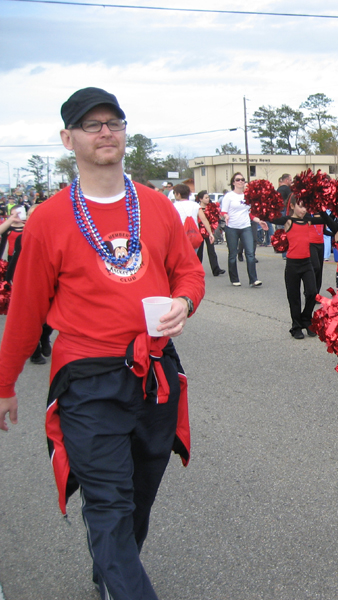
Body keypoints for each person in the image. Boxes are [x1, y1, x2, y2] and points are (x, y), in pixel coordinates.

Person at [0, 87, 205, 600]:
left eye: (113, 121)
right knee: (109, 504)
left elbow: (189, 272)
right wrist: (5, 383)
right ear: (68, 138)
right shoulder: (47, 219)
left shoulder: (155, 207)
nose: (105, 131)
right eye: (92, 125)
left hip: (155, 374)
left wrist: (184, 300)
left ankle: (110, 572)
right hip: (88, 382)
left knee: (138, 498)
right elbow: (25, 310)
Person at [263, 197, 322, 339]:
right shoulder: (288, 221)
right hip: (292, 265)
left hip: (307, 263)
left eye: (305, 207)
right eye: (300, 206)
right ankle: (296, 326)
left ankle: (306, 319)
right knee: (294, 297)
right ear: (293, 206)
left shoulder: (308, 220)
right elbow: (270, 217)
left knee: (312, 292)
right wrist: (261, 213)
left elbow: (324, 219)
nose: (303, 210)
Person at [221, 172, 261, 287]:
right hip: (232, 227)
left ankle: (253, 279)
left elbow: (250, 213)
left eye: (242, 179)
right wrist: (226, 216)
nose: (241, 182)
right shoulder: (229, 196)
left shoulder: (248, 195)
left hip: (245, 226)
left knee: (250, 253)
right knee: (232, 254)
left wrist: (259, 221)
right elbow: (223, 211)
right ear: (233, 182)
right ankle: (234, 278)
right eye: (238, 180)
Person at [172, 183, 213, 252]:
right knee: (192, 259)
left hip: (180, 237)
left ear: (178, 194)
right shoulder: (196, 205)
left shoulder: (174, 206)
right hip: (193, 236)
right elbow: (204, 220)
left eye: (175, 193)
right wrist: (210, 233)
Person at [196, 191, 225, 276]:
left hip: (209, 231)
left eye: (208, 197)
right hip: (199, 231)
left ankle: (216, 269)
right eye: (206, 197)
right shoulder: (197, 208)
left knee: (211, 250)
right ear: (200, 199)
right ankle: (197, 270)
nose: (208, 199)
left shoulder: (211, 207)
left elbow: (215, 218)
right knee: (199, 252)